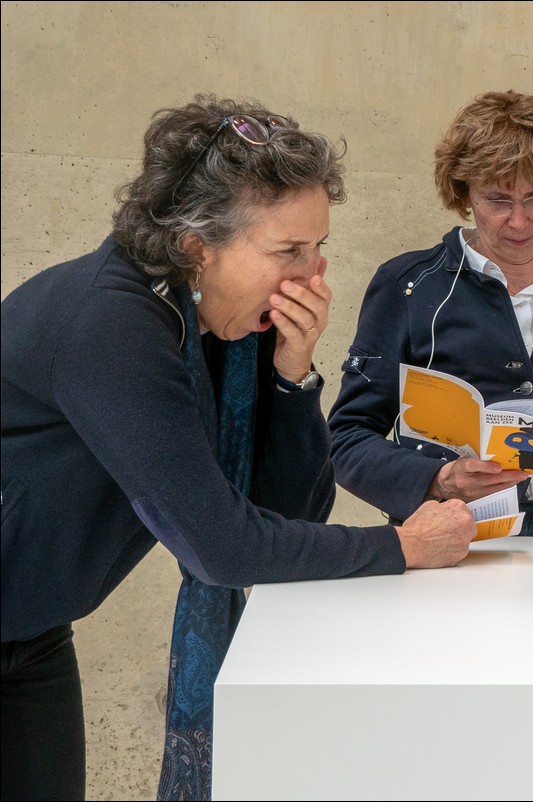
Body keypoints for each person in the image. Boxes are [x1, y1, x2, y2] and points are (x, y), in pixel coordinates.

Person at [0, 95, 475, 802]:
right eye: (288, 251)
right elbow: (223, 549)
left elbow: (281, 514)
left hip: (30, 634)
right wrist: (401, 547)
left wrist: (292, 375)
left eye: (318, 248)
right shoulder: (113, 325)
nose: (314, 277)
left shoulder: (208, 323)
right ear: (198, 246)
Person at [328, 90, 533, 537]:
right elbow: (347, 439)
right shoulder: (409, 286)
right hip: (456, 528)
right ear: (463, 193)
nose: (520, 221)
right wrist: (436, 479)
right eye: (498, 200)